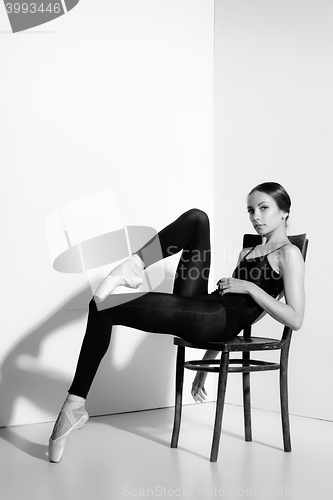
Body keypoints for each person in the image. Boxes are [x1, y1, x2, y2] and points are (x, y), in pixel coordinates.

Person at [48, 182, 305, 462]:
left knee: (104, 306)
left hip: (216, 318)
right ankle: (134, 265)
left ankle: (73, 406)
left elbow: (295, 318)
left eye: (264, 208)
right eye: (251, 210)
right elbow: (233, 316)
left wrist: (250, 287)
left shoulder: (289, 254)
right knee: (197, 219)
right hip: (208, 308)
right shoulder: (247, 252)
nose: (256, 216)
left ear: (284, 213)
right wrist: (206, 366)